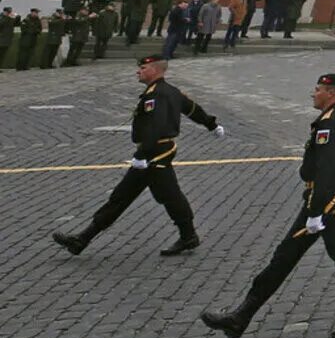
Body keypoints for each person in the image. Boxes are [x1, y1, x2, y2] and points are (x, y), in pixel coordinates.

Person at [201, 72, 335, 338]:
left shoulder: (332, 125)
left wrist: (315, 213)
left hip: (329, 200)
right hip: (327, 197)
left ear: (331, 93)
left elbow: (327, 170)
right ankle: (241, 317)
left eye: (318, 89)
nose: (313, 93)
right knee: (301, 255)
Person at [53, 54, 227, 256]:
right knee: (127, 196)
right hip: (154, 153)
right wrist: (211, 125)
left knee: (166, 196)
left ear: (154, 70)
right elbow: (193, 110)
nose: (138, 71)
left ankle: (188, 236)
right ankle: (82, 240)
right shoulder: (170, 91)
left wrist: (143, 155)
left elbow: (156, 126)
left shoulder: (156, 95)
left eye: (143, 69)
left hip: (155, 154)